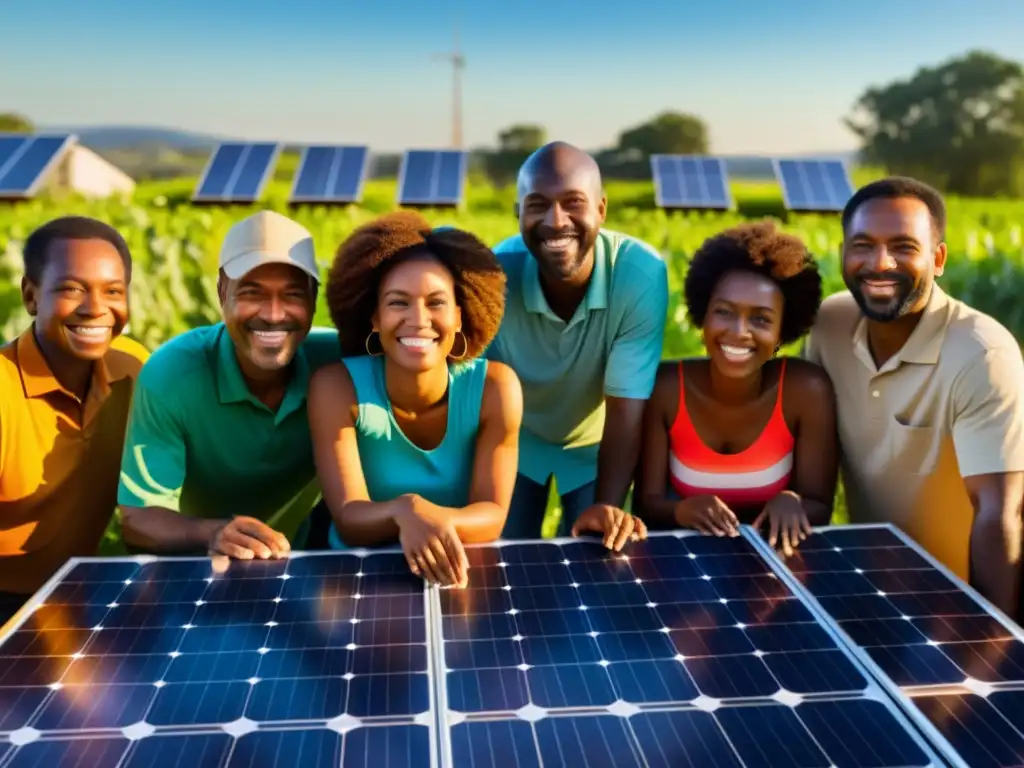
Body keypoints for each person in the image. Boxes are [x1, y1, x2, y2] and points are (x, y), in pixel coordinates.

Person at [804, 177, 1024, 617]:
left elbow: (999, 511)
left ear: (937, 258)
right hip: (868, 584)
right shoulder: (828, 323)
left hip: (955, 598)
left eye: (903, 246)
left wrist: (989, 636)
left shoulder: (982, 353)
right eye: (862, 245)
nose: (879, 263)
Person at [308, 212, 523, 587]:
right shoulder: (335, 388)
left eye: (436, 302)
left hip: (456, 572)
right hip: (358, 575)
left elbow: (492, 515)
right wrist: (405, 511)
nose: (418, 319)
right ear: (374, 317)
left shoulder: (495, 389)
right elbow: (348, 518)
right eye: (398, 303)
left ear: (460, 315)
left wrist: (422, 521)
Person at [117, 210, 341, 560]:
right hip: (195, 570)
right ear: (222, 292)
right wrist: (213, 533)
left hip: (301, 564)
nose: (273, 313)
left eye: (293, 295)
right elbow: (139, 519)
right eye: (252, 293)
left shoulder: (338, 361)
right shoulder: (172, 375)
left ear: (314, 299)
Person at [485, 141, 665, 547]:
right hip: (514, 439)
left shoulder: (639, 274)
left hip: (597, 444)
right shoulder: (496, 278)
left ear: (601, 210)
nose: (555, 220)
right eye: (537, 205)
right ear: (518, 214)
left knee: (594, 555)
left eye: (573, 202)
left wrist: (607, 507)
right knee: (502, 558)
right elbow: (481, 393)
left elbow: (626, 404)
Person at [635, 221, 837, 555]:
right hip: (685, 567)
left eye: (760, 319)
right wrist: (680, 510)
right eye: (724, 312)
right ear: (703, 318)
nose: (739, 331)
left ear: (781, 334)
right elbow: (647, 504)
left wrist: (792, 502)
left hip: (777, 566)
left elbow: (820, 505)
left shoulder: (806, 390)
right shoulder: (667, 388)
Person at [0, 216, 149, 625]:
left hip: (76, 590)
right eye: (72, 289)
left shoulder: (133, 368)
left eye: (113, 291)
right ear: (31, 296)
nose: (96, 308)